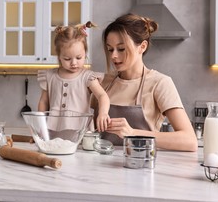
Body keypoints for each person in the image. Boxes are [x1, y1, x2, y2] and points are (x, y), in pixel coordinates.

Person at [92, 13, 197, 151]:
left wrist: (133, 133)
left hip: (140, 166)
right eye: (110, 49)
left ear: (142, 46)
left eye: (121, 49)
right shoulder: (102, 82)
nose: (114, 56)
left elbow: (189, 141)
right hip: (98, 168)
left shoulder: (159, 83)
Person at [38, 21, 111, 131]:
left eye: (78, 58)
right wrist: (40, 126)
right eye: (67, 59)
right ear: (59, 57)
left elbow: (102, 96)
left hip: (80, 131)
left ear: (85, 54)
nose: (74, 63)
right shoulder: (50, 76)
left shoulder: (87, 77)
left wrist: (103, 113)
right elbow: (43, 102)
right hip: (53, 130)